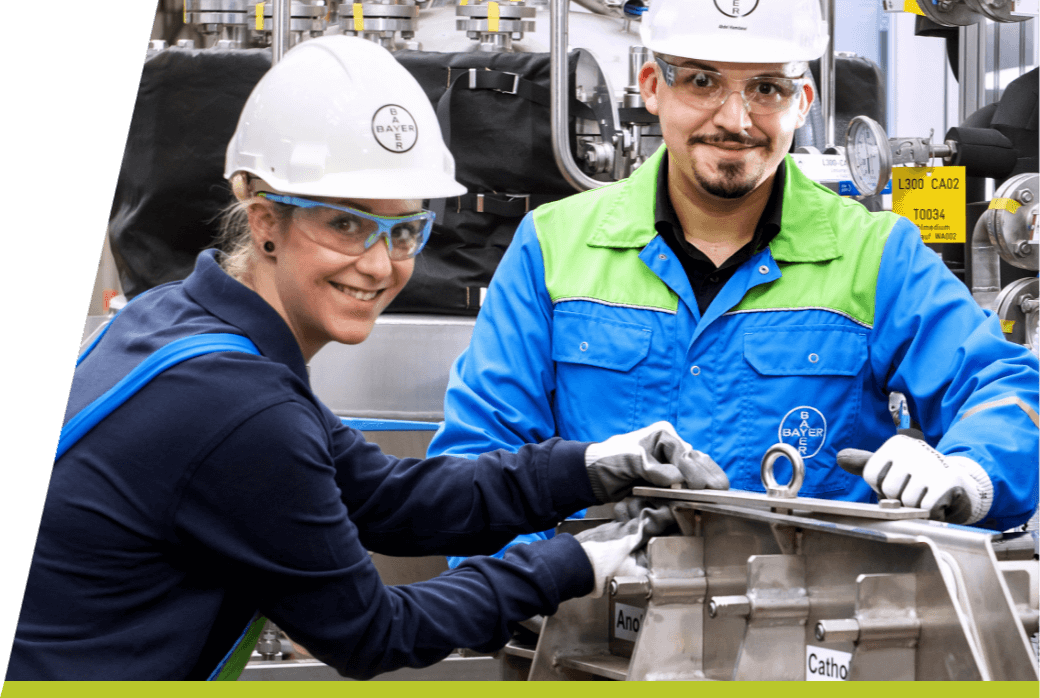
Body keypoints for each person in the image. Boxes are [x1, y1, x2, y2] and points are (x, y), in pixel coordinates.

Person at [6, 36, 730, 680]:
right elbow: (374, 634)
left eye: (405, 228)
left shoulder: (176, 319)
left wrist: (592, 464)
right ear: (266, 222)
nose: (379, 265)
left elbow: (387, 501)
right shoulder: (238, 406)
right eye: (346, 224)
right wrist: (583, 562)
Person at [428, 0, 1039, 534]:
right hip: (593, 632)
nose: (735, 119)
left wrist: (968, 471)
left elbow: (1006, 390)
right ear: (651, 86)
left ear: (804, 102)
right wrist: (541, 600)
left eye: (767, 88)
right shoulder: (553, 246)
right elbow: (479, 457)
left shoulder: (878, 256)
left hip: (811, 637)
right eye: (701, 81)